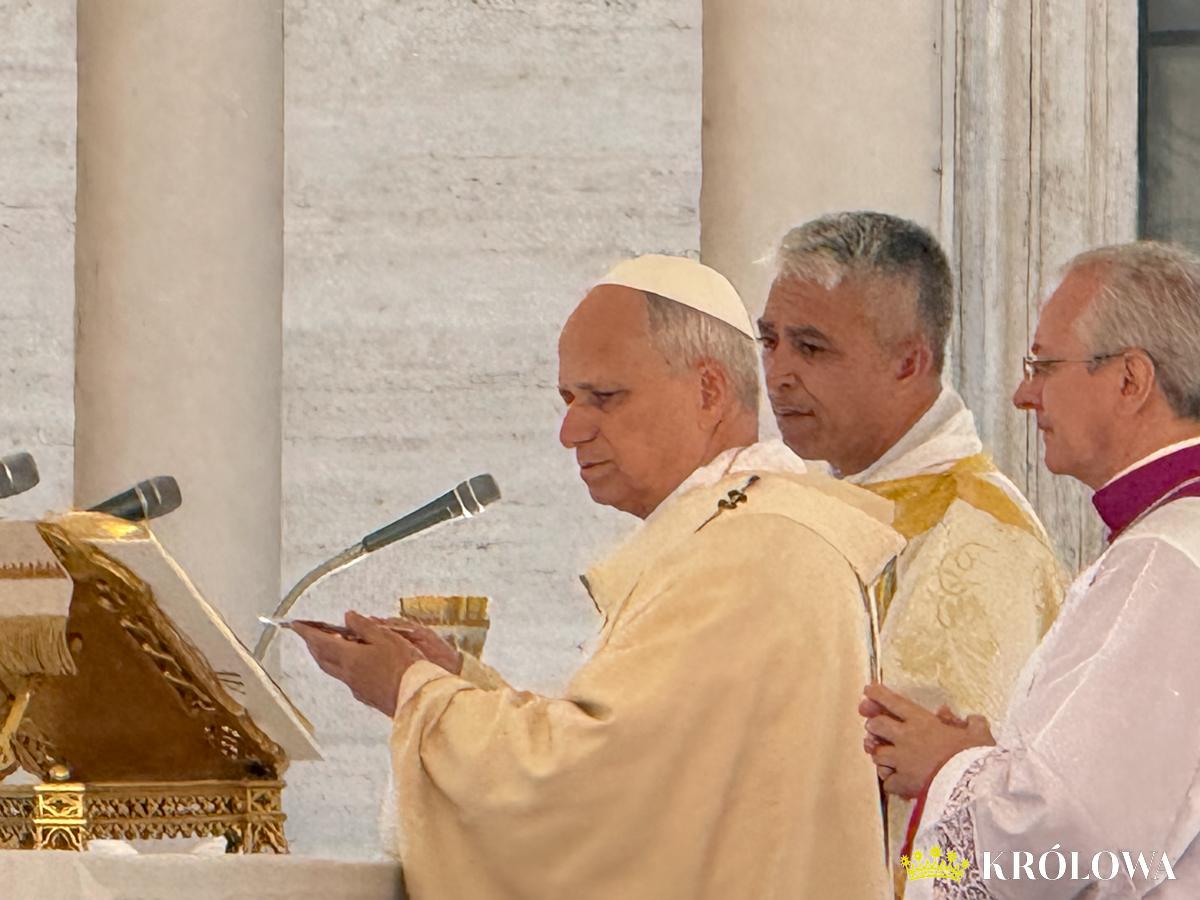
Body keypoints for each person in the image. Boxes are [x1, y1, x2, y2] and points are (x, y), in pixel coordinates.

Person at [296, 255, 903, 899]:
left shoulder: (752, 551)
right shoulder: (732, 531)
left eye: (604, 398)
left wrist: (412, 693)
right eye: (567, 399)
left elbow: (589, 796)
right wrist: (457, 682)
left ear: (708, 391)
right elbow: (631, 754)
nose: (570, 430)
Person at [862, 241, 1200, 898]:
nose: (1023, 394)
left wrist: (949, 769)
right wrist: (1000, 763)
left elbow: (1076, 835)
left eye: (1044, 365)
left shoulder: (1166, 561)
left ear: (1131, 380)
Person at [758, 211, 1064, 868]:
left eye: (810, 348)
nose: (778, 372)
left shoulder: (975, 543)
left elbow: (949, 825)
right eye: (770, 341)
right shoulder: (820, 500)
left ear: (908, 363)